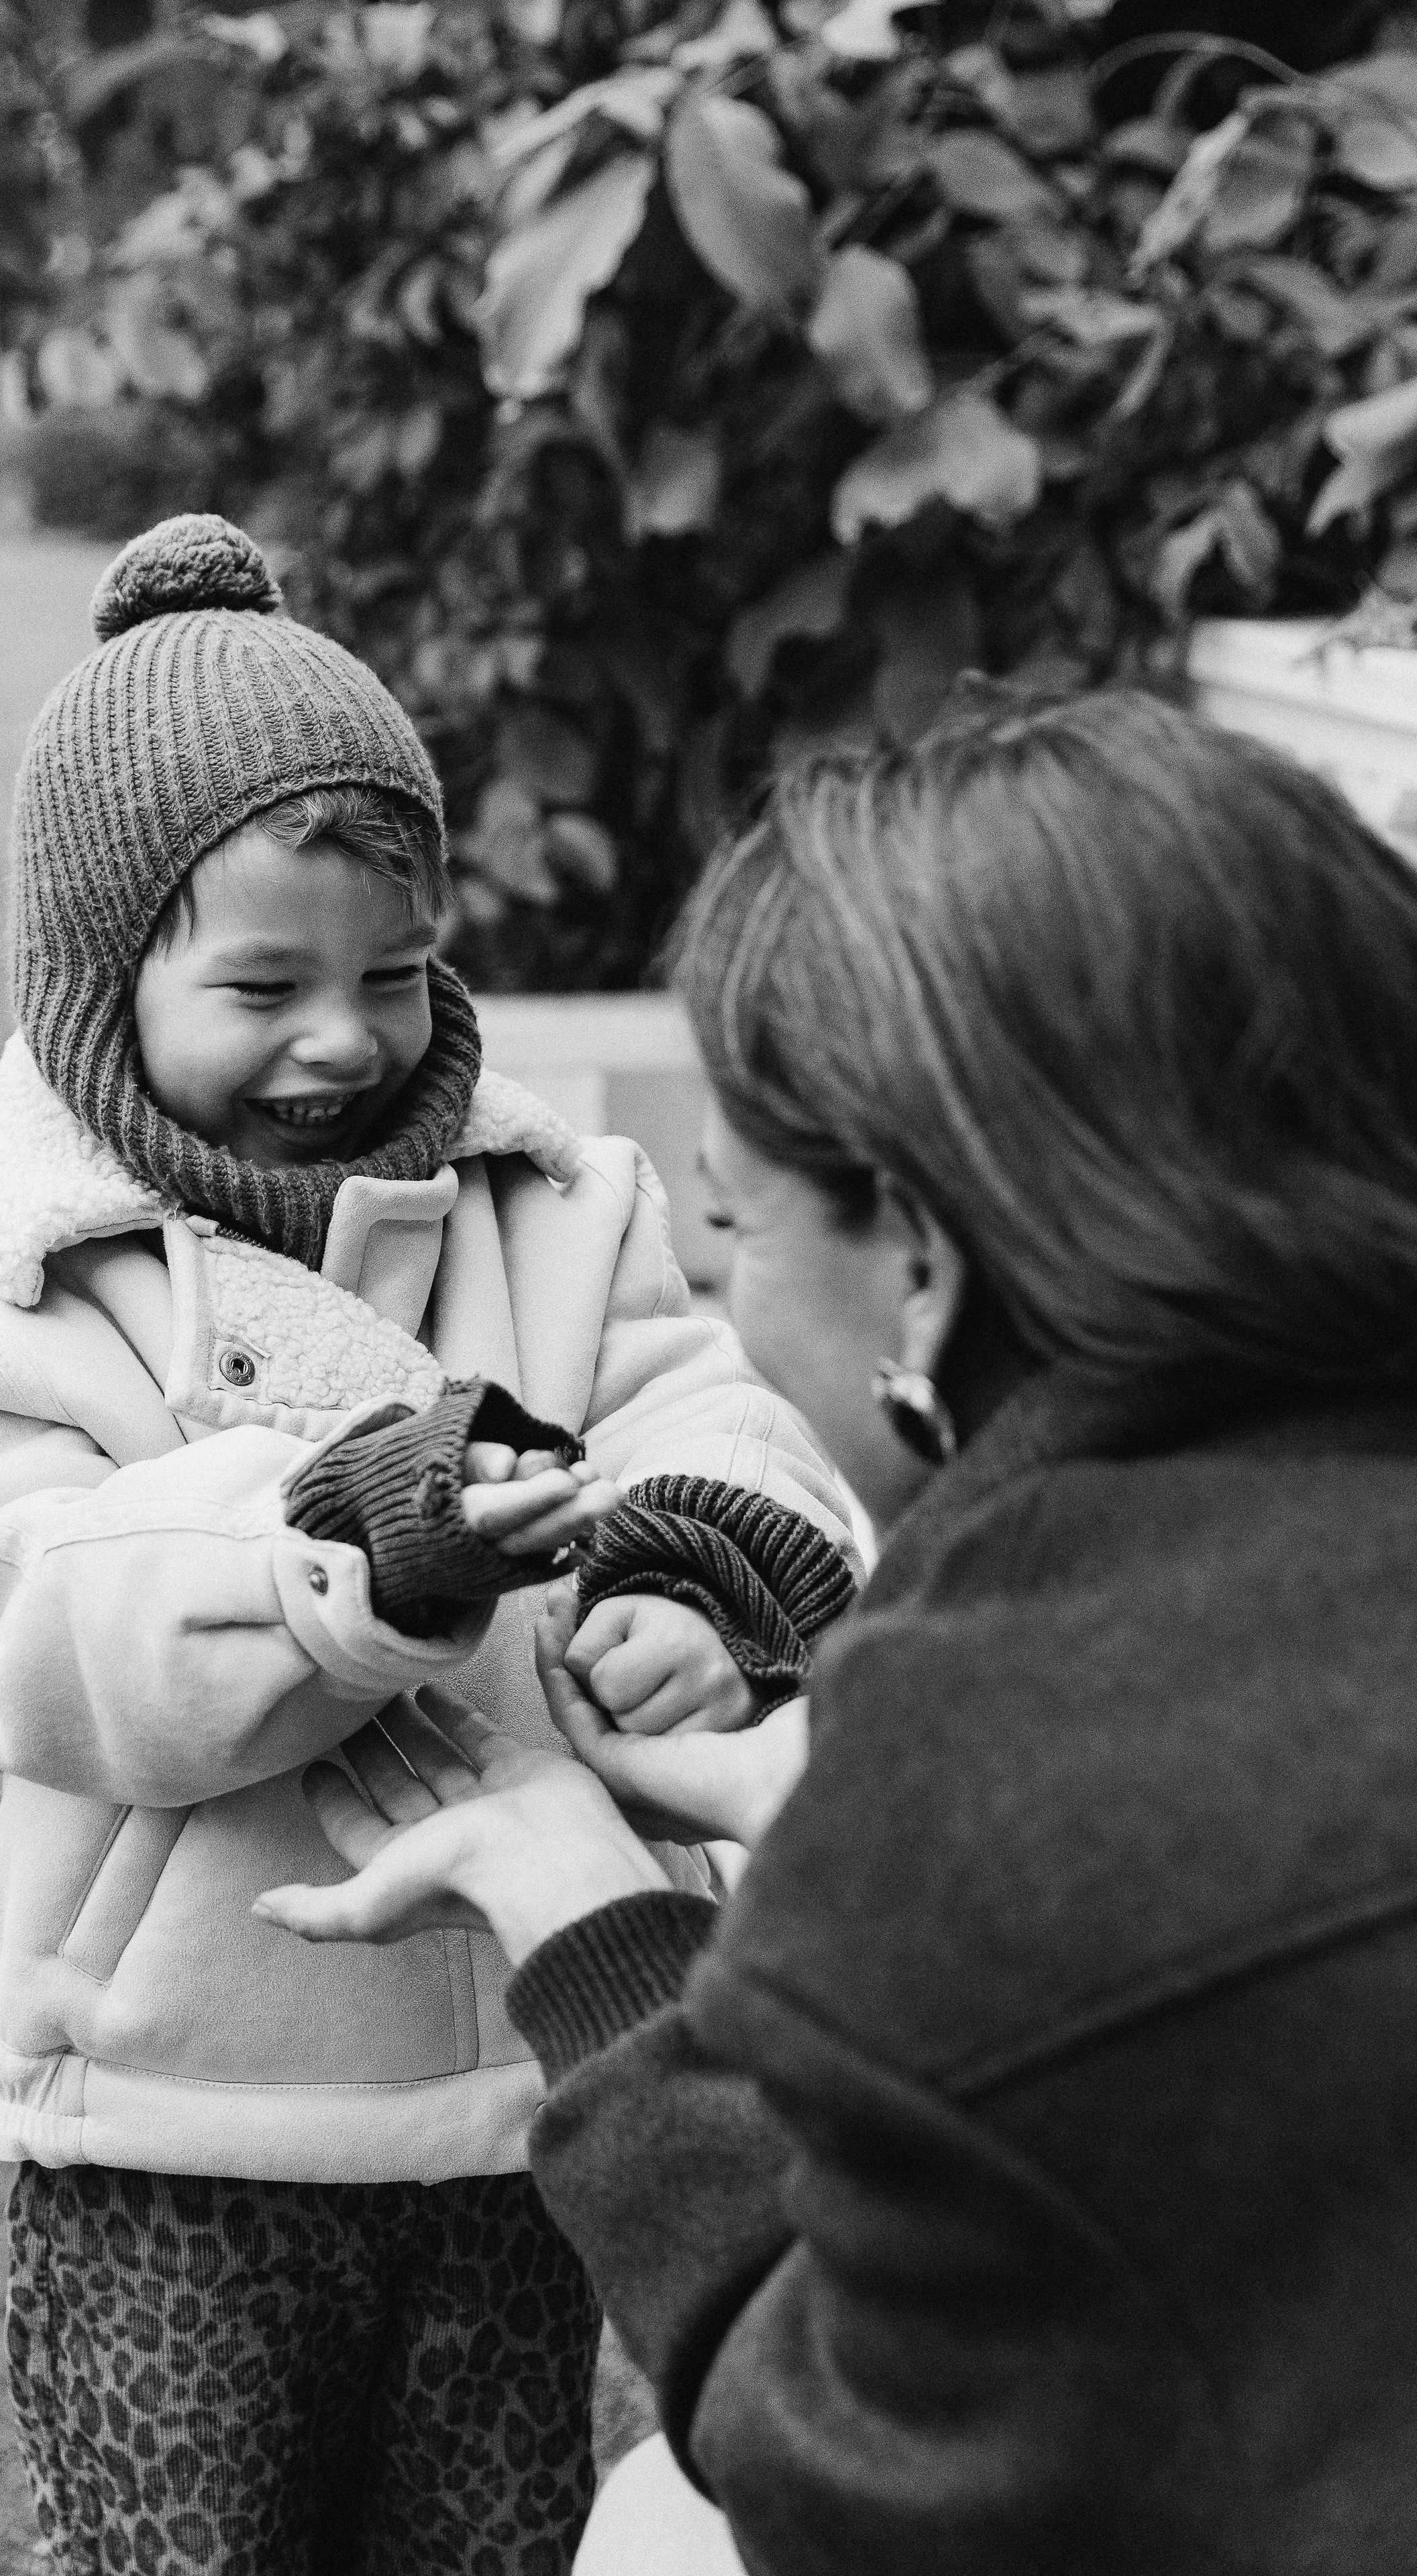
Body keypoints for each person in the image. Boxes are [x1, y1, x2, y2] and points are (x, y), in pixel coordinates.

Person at [256, 688, 1417, 2575]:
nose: (726, 1297)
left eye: (736, 1233)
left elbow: (847, 2466)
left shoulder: (980, 1773)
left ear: (929, 1265)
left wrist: (599, 1930)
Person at [0, 514, 859, 2576]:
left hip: (506, 2081)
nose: (346, 1040)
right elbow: (18, 1621)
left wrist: (689, 1578)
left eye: (396, 973)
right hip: (174, 2103)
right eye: (264, 987)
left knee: (493, 2532)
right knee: (189, 2543)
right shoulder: (0, 1292)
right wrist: (342, 1541)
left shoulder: (552, 1204)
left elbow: (714, 1406)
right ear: (99, 980)